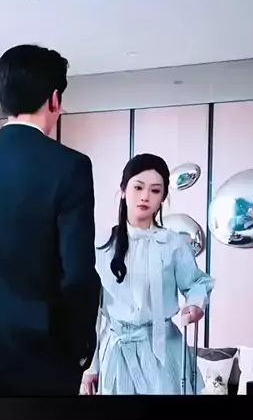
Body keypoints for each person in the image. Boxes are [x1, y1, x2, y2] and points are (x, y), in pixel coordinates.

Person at [0, 44, 100, 396]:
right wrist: (81, 345)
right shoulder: (70, 167)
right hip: (48, 354)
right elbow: (77, 274)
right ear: (54, 100)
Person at [81, 153, 214, 395]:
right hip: (116, 353)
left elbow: (196, 282)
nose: (145, 196)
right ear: (123, 190)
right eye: (138, 187)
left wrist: (195, 305)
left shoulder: (173, 244)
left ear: (163, 197)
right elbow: (93, 312)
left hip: (163, 350)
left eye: (155, 190)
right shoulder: (101, 246)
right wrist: (91, 366)